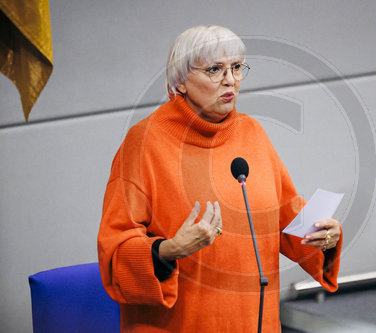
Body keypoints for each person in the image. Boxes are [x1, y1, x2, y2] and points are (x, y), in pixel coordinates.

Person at [97, 25, 342, 333]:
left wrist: (323, 234)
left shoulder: (251, 132)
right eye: (215, 69)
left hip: (255, 320)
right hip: (181, 324)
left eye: (236, 67)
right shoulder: (144, 142)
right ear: (181, 81)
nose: (230, 80)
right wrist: (169, 249)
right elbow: (115, 251)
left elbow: (285, 216)